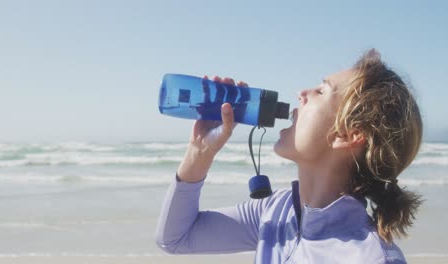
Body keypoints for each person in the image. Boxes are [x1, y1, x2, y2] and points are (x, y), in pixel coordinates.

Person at [155, 49, 422, 264]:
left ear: (347, 135)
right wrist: (200, 150)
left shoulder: (371, 258)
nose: (301, 94)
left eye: (320, 91)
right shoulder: (275, 212)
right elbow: (175, 238)